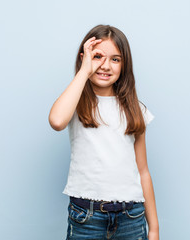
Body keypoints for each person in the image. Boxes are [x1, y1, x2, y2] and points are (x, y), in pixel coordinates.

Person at [49, 24, 159, 240]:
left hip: (132, 217)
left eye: (115, 59)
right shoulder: (75, 103)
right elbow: (57, 121)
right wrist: (84, 70)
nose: (106, 65)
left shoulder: (135, 109)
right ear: (85, 59)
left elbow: (143, 171)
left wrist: (153, 228)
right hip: (86, 218)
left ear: (124, 64)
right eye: (98, 56)